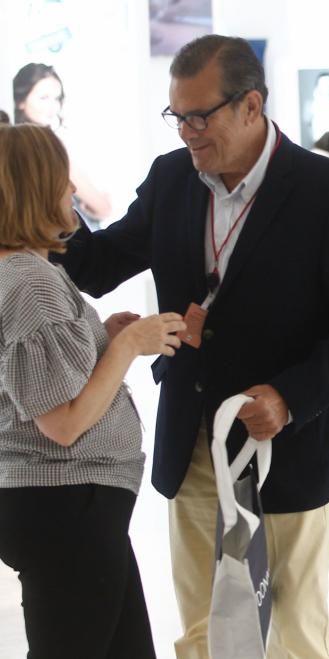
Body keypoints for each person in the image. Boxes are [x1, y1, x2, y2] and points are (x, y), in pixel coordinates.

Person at [56, 35, 329, 659]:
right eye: (176, 116)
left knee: (295, 629)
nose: (186, 132)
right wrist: (49, 192)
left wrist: (291, 397)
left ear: (251, 106)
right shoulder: (171, 180)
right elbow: (95, 266)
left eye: (199, 116)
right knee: (204, 628)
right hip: (195, 443)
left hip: (285, 447)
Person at [0, 123, 186, 658]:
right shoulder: (31, 283)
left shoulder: (30, 272)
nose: (72, 195)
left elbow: (44, 385)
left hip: (74, 506)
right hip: (65, 505)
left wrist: (104, 341)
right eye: (62, 182)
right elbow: (62, 423)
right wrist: (127, 346)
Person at [13, 62, 112, 225]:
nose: (52, 106)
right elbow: (102, 207)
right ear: (20, 101)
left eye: (56, 98)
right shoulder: (47, 145)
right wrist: (100, 203)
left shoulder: (10, 143)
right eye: (44, 98)